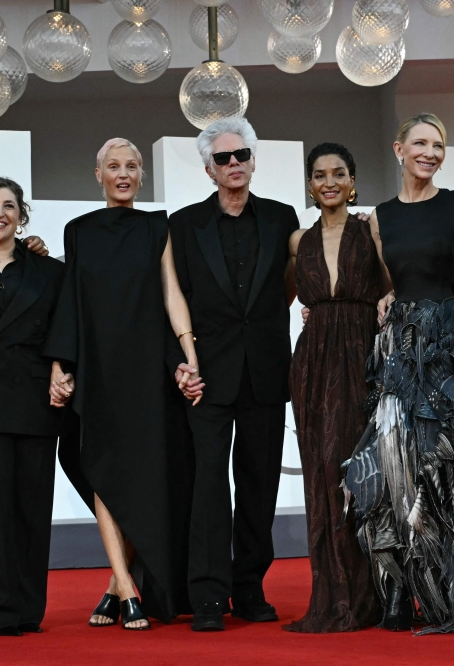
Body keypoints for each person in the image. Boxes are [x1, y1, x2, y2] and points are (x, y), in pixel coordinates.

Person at [339, 113, 454, 636]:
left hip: (450, 347)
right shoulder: (379, 217)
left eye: (439, 145)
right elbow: (388, 283)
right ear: (399, 149)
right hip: (402, 351)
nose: (430, 152)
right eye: (421, 144)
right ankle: (400, 592)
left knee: (448, 469)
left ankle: (452, 587)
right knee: (395, 467)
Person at [44, 138, 199, 630]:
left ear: (141, 175)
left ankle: (117, 586)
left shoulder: (158, 225)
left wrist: (188, 355)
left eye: (132, 166)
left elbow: (171, 292)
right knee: (105, 471)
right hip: (99, 369)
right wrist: (59, 363)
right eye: (114, 166)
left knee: (143, 476)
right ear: (98, 174)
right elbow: (70, 297)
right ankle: (126, 584)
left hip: (148, 367)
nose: (124, 173)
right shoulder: (79, 230)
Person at [167, 118, 300, 632]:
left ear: (252, 159)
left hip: (265, 371)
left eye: (241, 154)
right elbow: (172, 300)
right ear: (208, 169)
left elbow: (290, 284)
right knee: (207, 489)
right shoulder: (182, 225)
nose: (234, 163)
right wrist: (183, 363)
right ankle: (206, 594)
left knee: (259, 485)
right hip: (207, 378)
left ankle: (249, 588)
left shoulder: (281, 217)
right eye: (223, 158)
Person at [0, 177, 73, 636]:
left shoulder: (48, 270)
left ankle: (27, 606)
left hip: (36, 398)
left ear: (22, 215)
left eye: (9, 205)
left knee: (31, 506)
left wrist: (63, 370)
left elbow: (64, 329)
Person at [283, 143, 384, 633]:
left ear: (352, 180)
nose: (329, 181)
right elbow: (281, 294)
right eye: (320, 174)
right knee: (321, 475)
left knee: (362, 475)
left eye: (338, 173)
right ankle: (330, 595)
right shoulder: (297, 240)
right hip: (314, 363)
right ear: (309, 184)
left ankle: (372, 596)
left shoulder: (372, 231)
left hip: (363, 355)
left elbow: (393, 284)